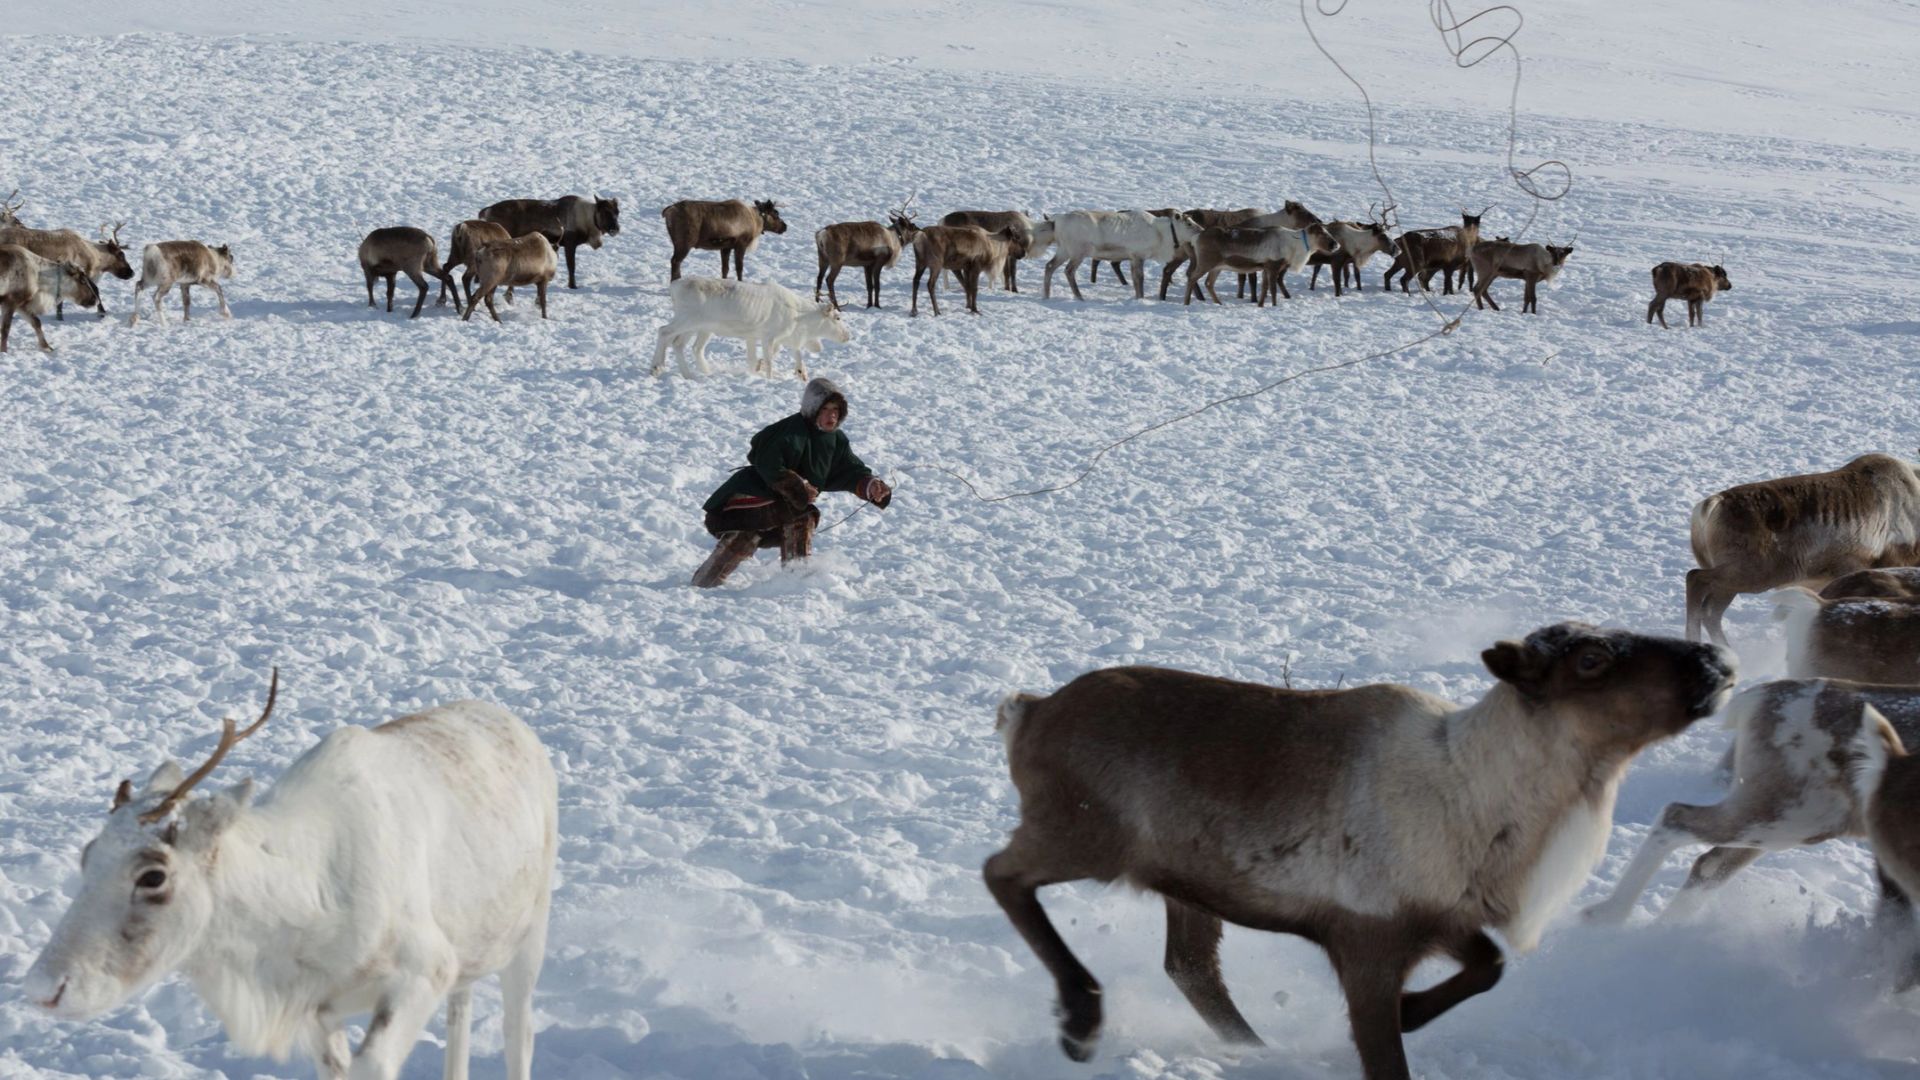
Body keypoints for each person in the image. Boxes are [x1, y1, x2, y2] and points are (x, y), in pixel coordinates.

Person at [692, 377, 893, 587]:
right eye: (825, 408)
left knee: (799, 517)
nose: (831, 415)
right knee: (749, 534)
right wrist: (798, 486)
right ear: (813, 408)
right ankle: (702, 585)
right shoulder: (790, 430)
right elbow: (768, 462)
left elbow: (850, 470)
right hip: (748, 496)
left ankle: (794, 577)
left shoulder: (836, 440)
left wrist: (872, 487)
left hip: (781, 505)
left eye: (836, 409)